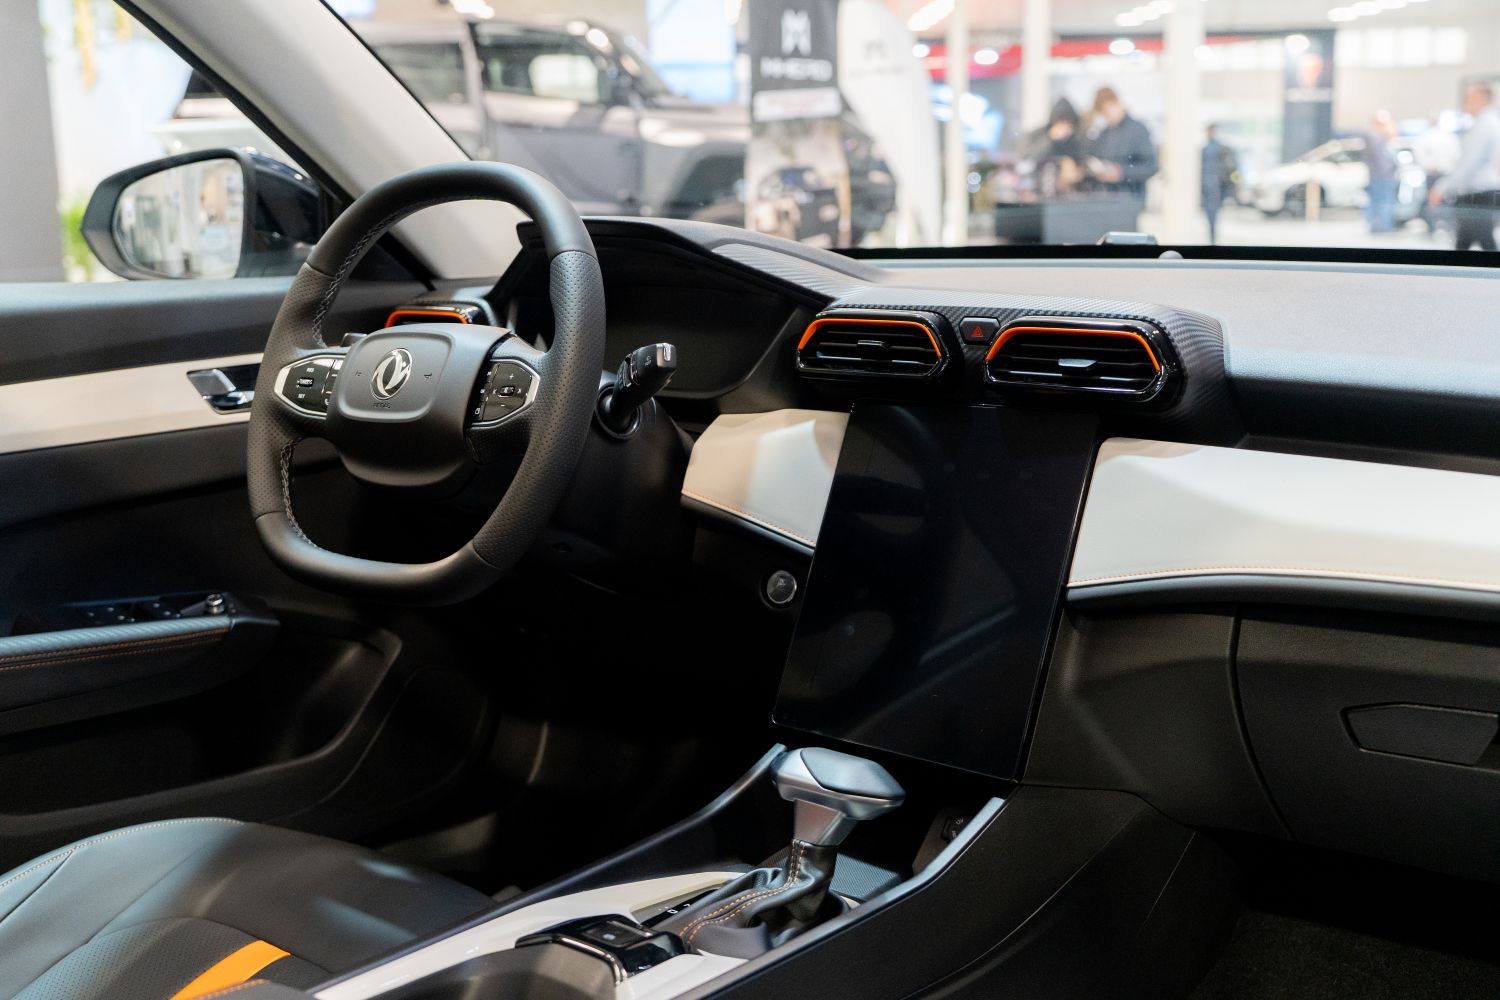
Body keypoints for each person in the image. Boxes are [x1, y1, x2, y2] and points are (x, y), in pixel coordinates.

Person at [1429, 82, 1500, 250]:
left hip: (1478, 192)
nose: (1465, 102)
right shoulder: (1486, 122)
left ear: (1482, 99)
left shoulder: (1485, 125)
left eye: (1469, 98)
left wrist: (1441, 187)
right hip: (1477, 190)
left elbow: (1469, 163)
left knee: (1483, 240)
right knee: (1465, 240)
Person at [1086, 87, 1158, 202]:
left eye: (1107, 111)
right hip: (1106, 199)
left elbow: (1151, 167)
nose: (1106, 117)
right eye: (1103, 114)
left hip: (1131, 199)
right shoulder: (1104, 134)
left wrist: (1122, 172)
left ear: (1118, 103)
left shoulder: (1138, 130)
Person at [1022, 98, 1086, 198]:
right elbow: (1028, 161)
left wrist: (1074, 171)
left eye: (1069, 124)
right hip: (1038, 193)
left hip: (1066, 196)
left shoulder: (1075, 141)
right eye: (1062, 123)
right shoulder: (1038, 136)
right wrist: (1050, 139)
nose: (1065, 129)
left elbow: (1082, 164)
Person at [1363, 110, 1399, 234]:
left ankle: (1379, 226)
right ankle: (1383, 227)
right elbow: (1380, 159)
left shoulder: (1377, 137)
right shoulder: (1375, 136)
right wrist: (1388, 171)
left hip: (1379, 175)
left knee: (1378, 201)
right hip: (1381, 176)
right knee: (1383, 201)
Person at [1201, 124, 1236, 244]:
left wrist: (1231, 189)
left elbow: (1232, 169)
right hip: (1208, 187)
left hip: (1216, 187)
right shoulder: (1204, 149)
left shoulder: (1222, 149)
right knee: (1210, 214)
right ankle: (1212, 239)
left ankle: (1213, 240)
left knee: (1213, 214)